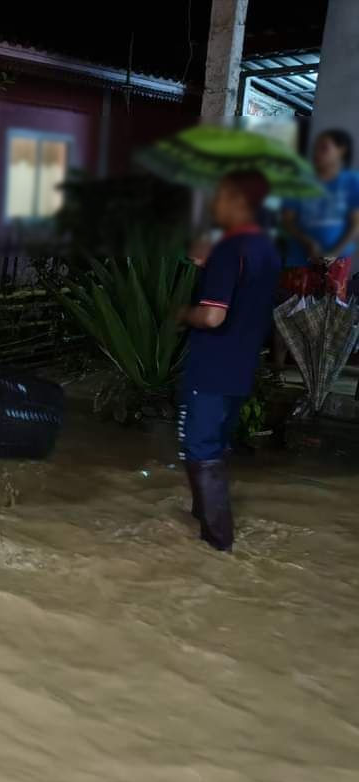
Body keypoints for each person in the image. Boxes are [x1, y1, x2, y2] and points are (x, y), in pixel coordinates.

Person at [178, 170, 281, 553]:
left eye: (220, 196)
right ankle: (201, 528)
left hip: (211, 367)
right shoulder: (267, 249)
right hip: (240, 369)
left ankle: (217, 546)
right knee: (215, 447)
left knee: (198, 449)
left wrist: (182, 313)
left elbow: (213, 316)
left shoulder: (228, 248)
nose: (214, 204)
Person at [275, 130, 359, 367]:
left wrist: (335, 251)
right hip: (299, 258)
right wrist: (307, 243)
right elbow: (288, 220)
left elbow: (355, 223)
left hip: (336, 261)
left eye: (325, 148)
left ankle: (315, 377)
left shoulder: (351, 182)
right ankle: (277, 370)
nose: (317, 153)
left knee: (327, 318)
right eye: (317, 147)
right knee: (288, 313)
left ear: (341, 151)